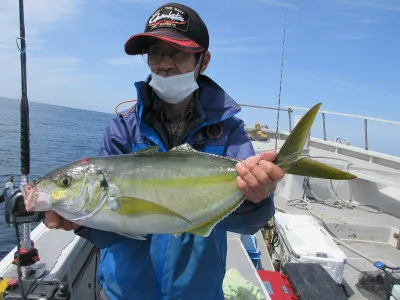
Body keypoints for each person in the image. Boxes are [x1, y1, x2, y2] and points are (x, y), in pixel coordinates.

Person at [45, 2, 284, 299]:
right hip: (126, 292)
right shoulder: (123, 128)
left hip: (196, 292)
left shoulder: (228, 132)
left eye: (178, 53)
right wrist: (81, 221)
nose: (164, 64)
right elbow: (109, 232)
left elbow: (248, 223)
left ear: (203, 61)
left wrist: (256, 197)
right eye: (155, 53)